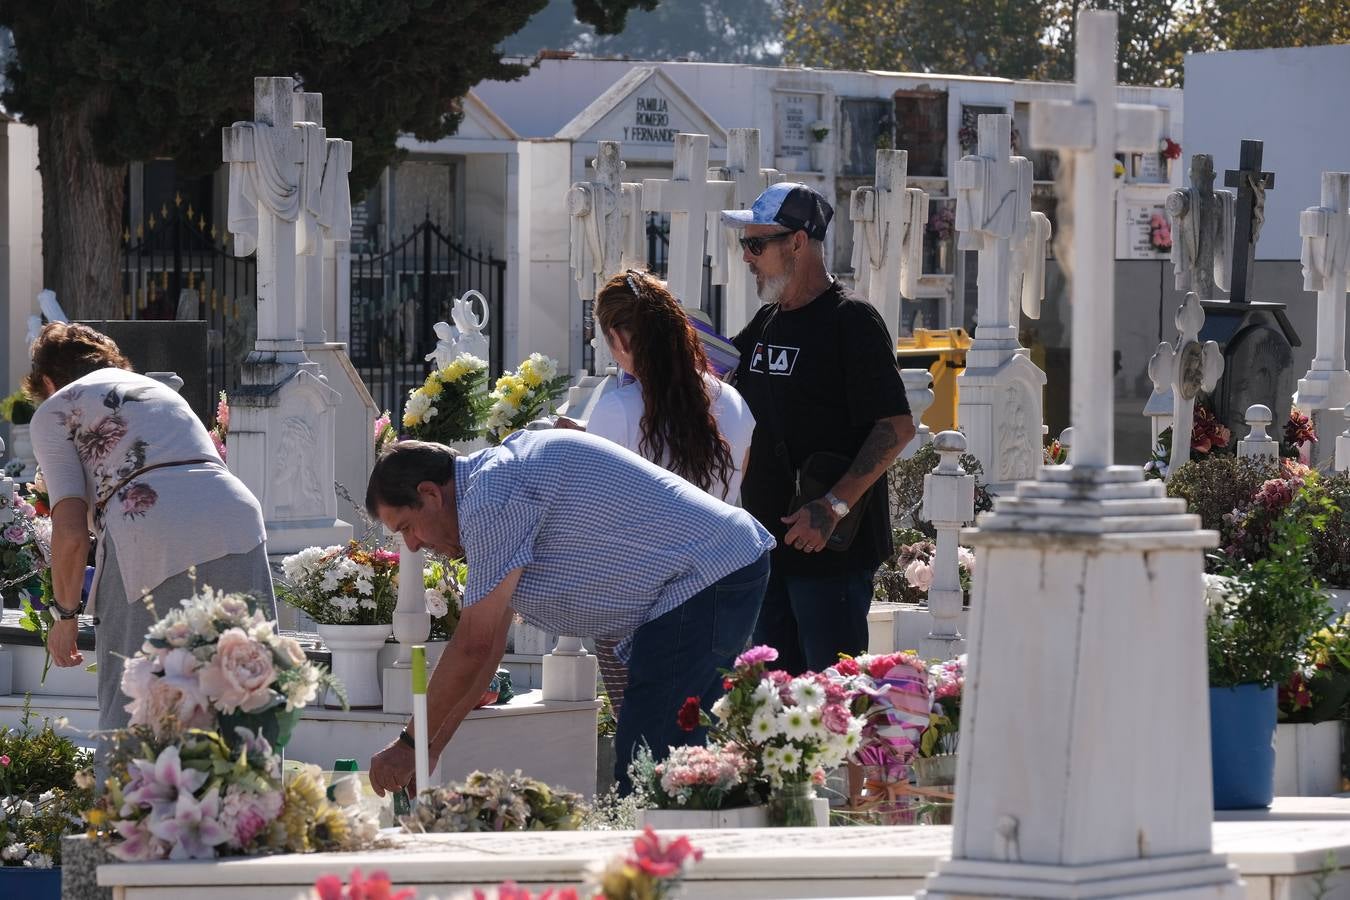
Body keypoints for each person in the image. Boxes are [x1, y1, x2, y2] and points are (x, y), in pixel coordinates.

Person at [362, 431, 774, 796]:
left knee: (651, 766)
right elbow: (485, 657)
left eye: (406, 527)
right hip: (715, 571)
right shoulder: (492, 489)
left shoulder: (490, 496)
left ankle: (656, 874)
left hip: (707, 574)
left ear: (431, 494)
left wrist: (408, 745)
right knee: (680, 763)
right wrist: (429, 748)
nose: (412, 546)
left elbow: (473, 645)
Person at [24, 323, 275, 738]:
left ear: (48, 381)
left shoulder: (57, 407)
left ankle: (131, 801)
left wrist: (65, 617)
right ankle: (256, 799)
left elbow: (69, 533)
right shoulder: (159, 393)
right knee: (245, 691)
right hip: (236, 518)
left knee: (135, 706)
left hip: (148, 524)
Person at [721, 182, 916, 675]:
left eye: (756, 244)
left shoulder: (851, 320)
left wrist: (832, 506)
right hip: (769, 548)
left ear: (798, 242)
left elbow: (896, 426)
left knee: (830, 703)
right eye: (745, 244)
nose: (747, 257)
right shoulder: (767, 320)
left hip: (829, 551)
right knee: (776, 707)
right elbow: (714, 374)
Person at [585, 270, 757, 720]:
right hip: (722, 591)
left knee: (644, 742)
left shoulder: (616, 410)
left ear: (620, 337)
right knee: (711, 738)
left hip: (641, 601)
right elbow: (739, 486)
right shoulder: (734, 403)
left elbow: (598, 516)